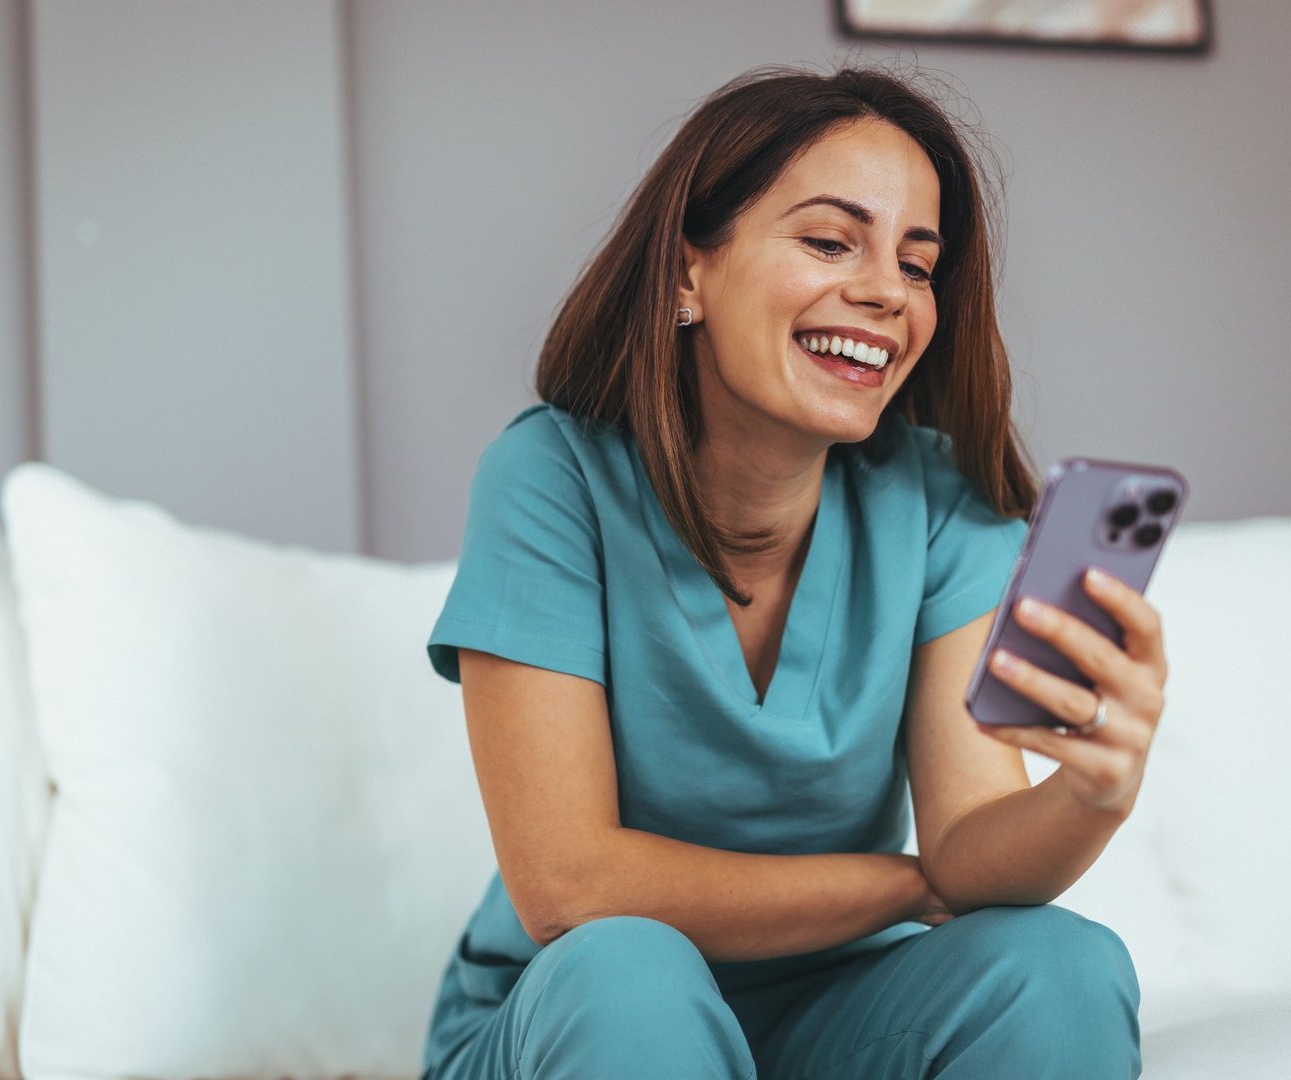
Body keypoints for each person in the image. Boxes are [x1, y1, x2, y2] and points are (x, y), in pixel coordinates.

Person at [418, 63, 1167, 1080]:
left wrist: (1094, 795)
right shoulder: (551, 474)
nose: (884, 293)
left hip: (837, 1015)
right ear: (688, 272)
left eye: (918, 263)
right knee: (630, 970)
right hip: (580, 1022)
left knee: (1061, 965)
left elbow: (973, 845)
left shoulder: (942, 500)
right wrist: (908, 887)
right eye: (828, 241)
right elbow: (572, 884)